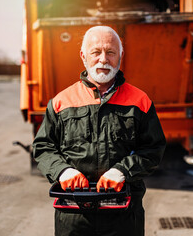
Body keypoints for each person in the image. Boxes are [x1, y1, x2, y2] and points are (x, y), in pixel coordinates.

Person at [33, 25, 166, 236]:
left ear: (121, 55)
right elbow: (43, 147)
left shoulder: (140, 101)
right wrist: (63, 171)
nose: (103, 59)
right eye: (96, 52)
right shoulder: (61, 102)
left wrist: (122, 171)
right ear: (83, 56)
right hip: (73, 215)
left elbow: (153, 149)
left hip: (123, 215)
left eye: (110, 52)